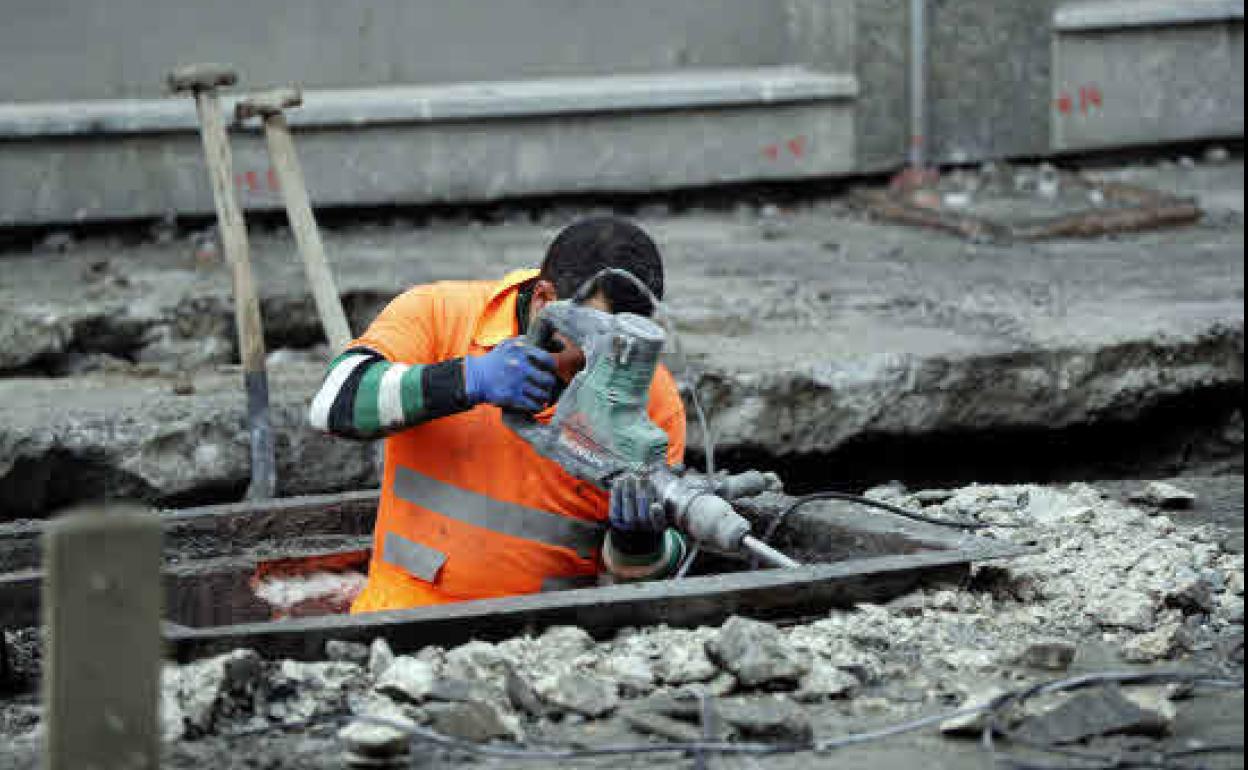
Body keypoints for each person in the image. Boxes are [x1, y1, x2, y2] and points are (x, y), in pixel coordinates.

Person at [309, 216, 688, 612]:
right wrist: (465, 379)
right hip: (404, 620)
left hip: (554, 642)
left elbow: (640, 585)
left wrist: (639, 544)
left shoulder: (650, 399)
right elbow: (332, 404)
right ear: (544, 301)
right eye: (589, 346)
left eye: (620, 352)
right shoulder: (441, 316)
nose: (602, 370)